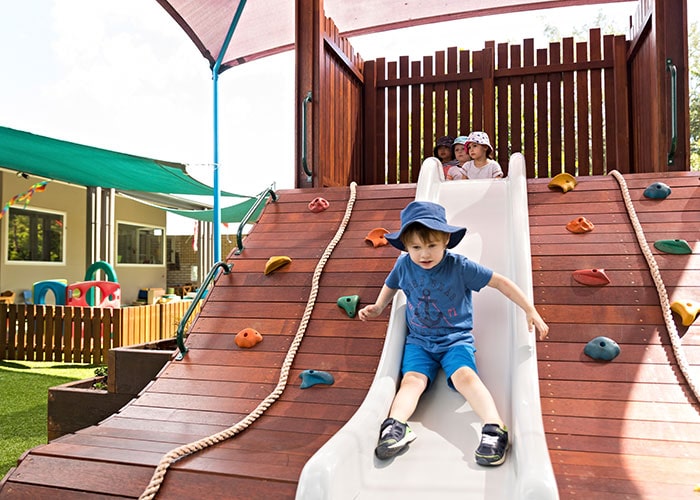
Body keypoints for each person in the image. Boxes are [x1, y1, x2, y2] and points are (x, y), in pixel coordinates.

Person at [357, 201, 549, 466]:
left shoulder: (460, 267)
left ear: (446, 240)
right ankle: (397, 426)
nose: (424, 254)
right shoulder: (404, 265)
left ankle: (494, 427)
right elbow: (391, 285)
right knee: (411, 380)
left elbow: (500, 282)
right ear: (406, 246)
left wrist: (530, 309)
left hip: (455, 340)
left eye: (431, 245)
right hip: (419, 342)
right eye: (415, 247)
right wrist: (379, 307)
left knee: (465, 376)